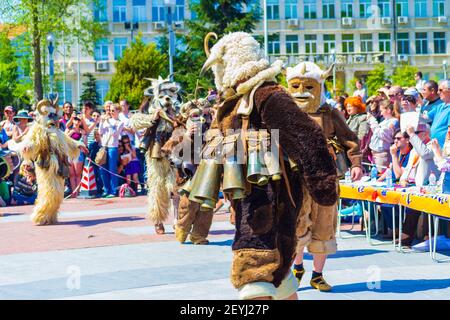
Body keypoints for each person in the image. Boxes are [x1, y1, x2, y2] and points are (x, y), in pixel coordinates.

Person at [198, 32, 337, 300]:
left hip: (269, 204)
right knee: (278, 279)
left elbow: (307, 136)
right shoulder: (237, 100)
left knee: (255, 274)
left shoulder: (267, 95)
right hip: (251, 203)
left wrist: (323, 185)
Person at [286, 62, 362, 293]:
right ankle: (297, 268)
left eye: (308, 86)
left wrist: (356, 163)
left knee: (324, 226)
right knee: (296, 225)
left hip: (325, 177)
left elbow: (350, 138)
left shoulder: (329, 112)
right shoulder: (283, 114)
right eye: (296, 85)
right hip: (295, 178)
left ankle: (317, 276)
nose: (301, 91)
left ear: (319, 85)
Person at [378, 130, 412, 238]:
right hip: (392, 184)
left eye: (398, 138)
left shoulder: (410, 154)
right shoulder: (398, 152)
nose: (395, 141)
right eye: (394, 139)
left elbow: (398, 175)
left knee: (388, 204)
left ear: (407, 140)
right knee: (381, 202)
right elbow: (390, 169)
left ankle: (395, 230)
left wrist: (393, 155)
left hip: (404, 185)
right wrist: (378, 180)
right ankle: (392, 229)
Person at [99, 103, 124, 198]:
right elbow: (100, 132)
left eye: (113, 110)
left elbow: (115, 134)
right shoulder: (107, 120)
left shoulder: (119, 122)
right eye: (110, 110)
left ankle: (113, 191)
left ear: (118, 111)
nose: (111, 112)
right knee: (102, 169)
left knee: (112, 169)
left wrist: (110, 124)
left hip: (113, 147)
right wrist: (102, 122)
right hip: (104, 146)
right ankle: (106, 189)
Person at [367, 100, 399, 171]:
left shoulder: (394, 121)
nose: (381, 113)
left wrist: (372, 121)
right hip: (376, 153)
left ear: (388, 110)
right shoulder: (384, 121)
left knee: (381, 174)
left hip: (382, 153)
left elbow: (382, 134)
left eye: (381, 111)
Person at [65, 115, 87, 198]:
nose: (77, 121)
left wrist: (83, 136)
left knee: (78, 174)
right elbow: (65, 139)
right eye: (75, 119)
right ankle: (74, 192)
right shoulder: (69, 130)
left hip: (78, 153)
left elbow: (85, 143)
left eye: (79, 120)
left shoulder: (82, 131)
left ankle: (77, 192)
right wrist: (72, 131)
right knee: (71, 174)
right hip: (70, 153)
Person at [425, 80, 450, 148]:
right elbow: (425, 118)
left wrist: (446, 148)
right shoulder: (440, 106)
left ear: (449, 90)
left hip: (444, 149)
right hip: (435, 147)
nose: (438, 92)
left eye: (440, 90)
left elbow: (449, 131)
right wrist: (410, 109)